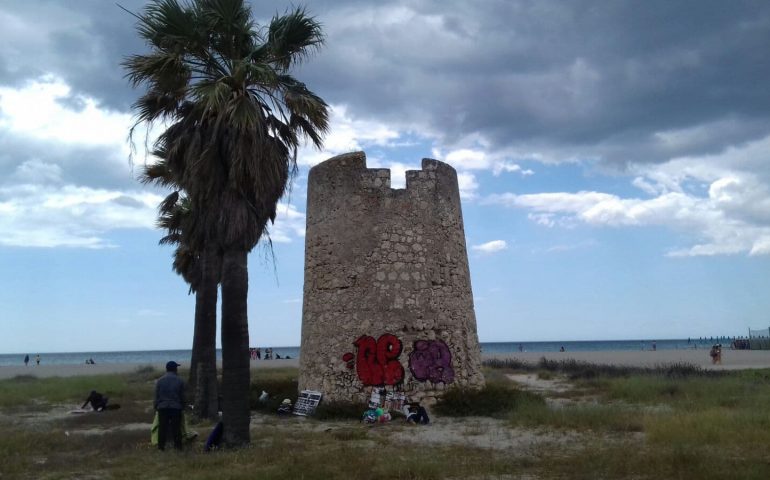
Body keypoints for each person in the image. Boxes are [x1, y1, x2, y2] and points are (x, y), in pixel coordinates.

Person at [154, 361, 186, 451]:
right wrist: (184, 406)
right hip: (176, 407)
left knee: (162, 428)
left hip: (162, 407)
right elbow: (183, 396)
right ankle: (178, 448)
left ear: (166, 369)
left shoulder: (159, 381)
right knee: (176, 428)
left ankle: (161, 448)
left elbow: (156, 395)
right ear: (175, 369)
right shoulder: (180, 380)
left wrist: (155, 406)